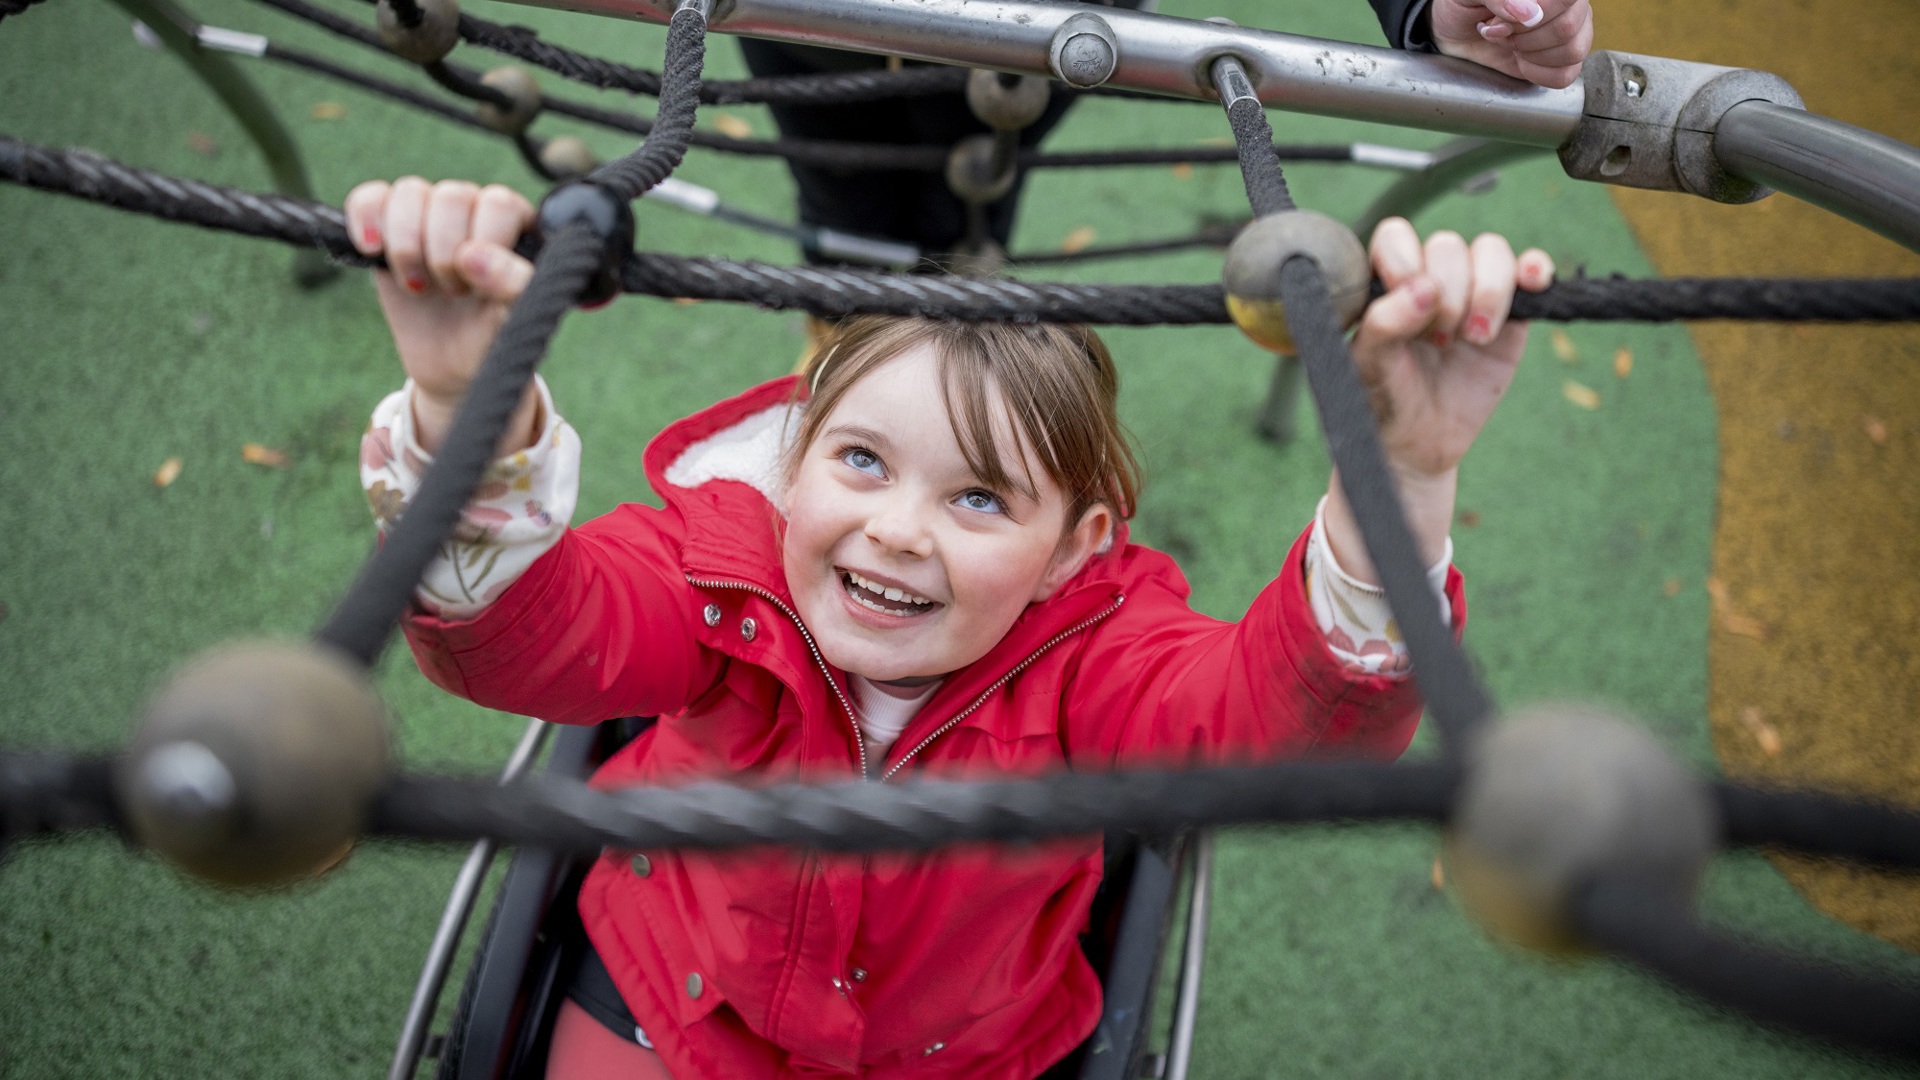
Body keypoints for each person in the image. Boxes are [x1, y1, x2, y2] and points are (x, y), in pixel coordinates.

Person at [344, 177, 1554, 1077]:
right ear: (797, 461)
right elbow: (528, 632)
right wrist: (462, 405)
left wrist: (1401, 475)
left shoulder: (1094, 653)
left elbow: (1283, 731)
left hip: (958, 1053)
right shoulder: (723, 576)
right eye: (862, 462)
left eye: (979, 498)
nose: (897, 531)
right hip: (673, 993)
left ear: (1071, 548)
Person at [742, 0, 1595, 270]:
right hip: (804, 27)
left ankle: (947, 317)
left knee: (975, 197)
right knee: (839, 192)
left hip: (1036, 32)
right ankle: (846, 329)